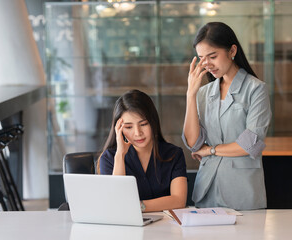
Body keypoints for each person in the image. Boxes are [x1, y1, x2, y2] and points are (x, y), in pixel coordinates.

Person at [182, 22, 272, 210]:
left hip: (241, 192)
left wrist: (210, 150)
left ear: (232, 51)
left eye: (212, 56)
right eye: (201, 58)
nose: (207, 63)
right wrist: (191, 94)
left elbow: (250, 144)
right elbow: (193, 143)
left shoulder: (256, 89)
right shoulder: (203, 93)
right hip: (207, 189)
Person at [99, 89, 187, 212]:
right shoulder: (109, 158)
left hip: (166, 227)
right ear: (119, 129)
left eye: (144, 124)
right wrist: (120, 155)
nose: (138, 133)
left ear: (153, 122)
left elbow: (178, 201)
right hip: (127, 228)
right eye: (129, 127)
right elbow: (116, 202)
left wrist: (137, 206)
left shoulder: (173, 154)